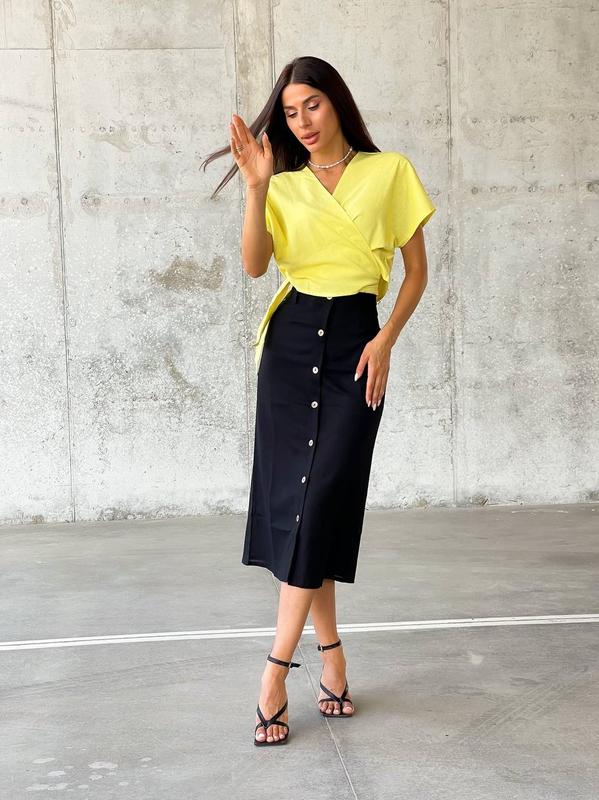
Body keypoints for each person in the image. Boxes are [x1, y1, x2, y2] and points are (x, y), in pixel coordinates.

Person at [201, 56, 435, 747]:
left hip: (357, 343)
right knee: (309, 507)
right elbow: (254, 266)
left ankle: (274, 670)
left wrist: (385, 340)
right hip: (292, 341)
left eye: (312, 105)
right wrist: (255, 188)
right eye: (290, 111)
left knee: (321, 495)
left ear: (336, 103)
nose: (301, 121)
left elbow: (416, 272)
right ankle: (329, 660)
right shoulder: (281, 182)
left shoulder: (389, 171)